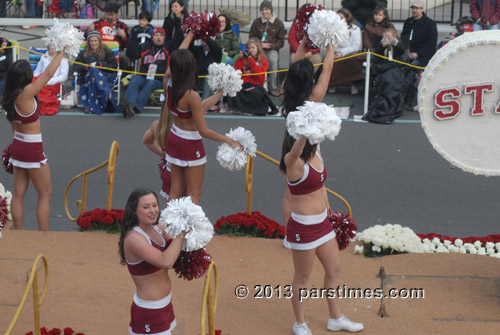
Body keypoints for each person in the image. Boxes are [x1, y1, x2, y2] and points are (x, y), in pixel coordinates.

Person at [280, 39, 364, 335]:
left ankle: (335, 318)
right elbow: (327, 69)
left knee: (334, 271)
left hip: (322, 223)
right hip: (304, 226)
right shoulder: (296, 160)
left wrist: (329, 212)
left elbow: (298, 70)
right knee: (302, 278)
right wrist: (329, 44)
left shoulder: (288, 97)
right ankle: (299, 322)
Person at [161, 47, 242, 205]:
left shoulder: (168, 83)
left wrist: (219, 93)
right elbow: (203, 130)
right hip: (190, 144)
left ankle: (170, 228)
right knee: (194, 195)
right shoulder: (191, 95)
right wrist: (229, 141)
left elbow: (199, 108)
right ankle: (192, 230)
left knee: (175, 191)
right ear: (190, 69)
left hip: (174, 138)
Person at [2, 49, 66, 231]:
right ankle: (43, 235)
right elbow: (48, 74)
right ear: (26, 77)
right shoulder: (26, 94)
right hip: (32, 148)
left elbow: (14, 128)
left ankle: (20, 232)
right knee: (45, 194)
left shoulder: (8, 97)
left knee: (18, 194)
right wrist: (61, 53)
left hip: (17, 145)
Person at [119, 187, 184, 335]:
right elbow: (166, 261)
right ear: (134, 210)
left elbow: (175, 245)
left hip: (165, 303)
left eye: (155, 205)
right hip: (150, 309)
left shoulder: (157, 227)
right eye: (146, 207)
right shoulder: (134, 238)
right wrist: (183, 232)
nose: (152, 210)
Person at [120, 27, 170, 116]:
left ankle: (135, 107)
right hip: (143, 76)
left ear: (164, 38)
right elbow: (131, 54)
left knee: (150, 83)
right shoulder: (146, 46)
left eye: (161, 35)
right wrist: (134, 39)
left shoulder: (168, 48)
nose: (158, 37)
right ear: (152, 37)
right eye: (156, 35)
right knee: (135, 80)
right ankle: (128, 105)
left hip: (159, 79)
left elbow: (178, 39)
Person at [227, 38, 277, 115]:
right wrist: (240, 59)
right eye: (249, 48)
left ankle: (252, 109)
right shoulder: (243, 59)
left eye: (253, 48)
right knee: (234, 89)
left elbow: (260, 77)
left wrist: (251, 60)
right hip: (243, 84)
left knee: (256, 93)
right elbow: (236, 73)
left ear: (258, 48)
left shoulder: (263, 60)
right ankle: (238, 108)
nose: (251, 50)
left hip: (256, 85)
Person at [73, 30, 118, 114]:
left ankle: (90, 107)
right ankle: (107, 100)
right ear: (89, 42)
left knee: (94, 70)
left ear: (99, 41)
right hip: (89, 78)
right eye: (91, 41)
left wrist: (101, 65)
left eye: (95, 41)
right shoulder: (83, 53)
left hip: (104, 77)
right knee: (93, 71)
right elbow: (75, 66)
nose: (93, 43)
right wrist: (86, 67)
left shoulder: (107, 52)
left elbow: (114, 66)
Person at [249, 0, 286, 97]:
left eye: (267, 9)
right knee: (252, 59)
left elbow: (281, 42)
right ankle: (255, 84)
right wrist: (258, 45)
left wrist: (270, 45)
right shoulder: (256, 23)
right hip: (258, 49)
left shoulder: (279, 23)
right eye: (262, 10)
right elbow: (251, 37)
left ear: (271, 10)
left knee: (273, 59)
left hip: (271, 50)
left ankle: (273, 87)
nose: (264, 12)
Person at [328, 8, 363, 95]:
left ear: (347, 18)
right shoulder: (333, 28)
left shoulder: (355, 29)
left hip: (350, 52)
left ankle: (354, 83)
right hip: (335, 51)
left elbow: (356, 46)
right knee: (329, 59)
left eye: (341, 17)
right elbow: (331, 43)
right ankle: (333, 83)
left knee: (352, 59)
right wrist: (335, 52)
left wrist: (342, 53)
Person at [181, 31, 223, 100]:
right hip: (196, 79)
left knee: (207, 78)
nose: (205, 44)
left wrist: (204, 33)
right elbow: (189, 46)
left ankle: (203, 104)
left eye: (207, 42)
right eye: (203, 41)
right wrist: (193, 33)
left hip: (209, 81)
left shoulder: (216, 53)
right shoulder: (198, 50)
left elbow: (215, 46)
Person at [88, 2, 130, 69]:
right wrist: (90, 31)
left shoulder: (122, 26)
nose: (110, 17)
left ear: (116, 14)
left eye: (112, 15)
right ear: (105, 13)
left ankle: (121, 77)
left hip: (115, 52)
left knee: (125, 57)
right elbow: (87, 41)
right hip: (98, 51)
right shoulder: (97, 24)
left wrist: (124, 36)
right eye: (108, 15)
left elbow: (128, 45)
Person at [32, 45, 70, 115]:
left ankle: (39, 104)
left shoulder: (63, 59)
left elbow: (63, 76)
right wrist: (37, 79)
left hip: (54, 83)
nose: (52, 51)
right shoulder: (44, 57)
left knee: (42, 92)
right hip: (41, 80)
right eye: (50, 49)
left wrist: (49, 81)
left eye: (53, 49)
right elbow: (38, 70)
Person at [401, 0, 438, 67]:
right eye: (413, 8)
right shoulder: (408, 22)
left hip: (423, 57)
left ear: (422, 9)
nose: (414, 10)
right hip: (408, 54)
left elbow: (431, 45)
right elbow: (403, 38)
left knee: (410, 68)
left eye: (417, 8)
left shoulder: (430, 24)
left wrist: (418, 54)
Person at [288, 5, 322, 73]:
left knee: (317, 59)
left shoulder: (316, 24)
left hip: (311, 52)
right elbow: (291, 39)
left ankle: (309, 78)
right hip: (297, 51)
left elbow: (319, 41)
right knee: (295, 60)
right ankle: (297, 79)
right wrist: (301, 51)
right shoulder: (296, 23)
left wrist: (311, 51)